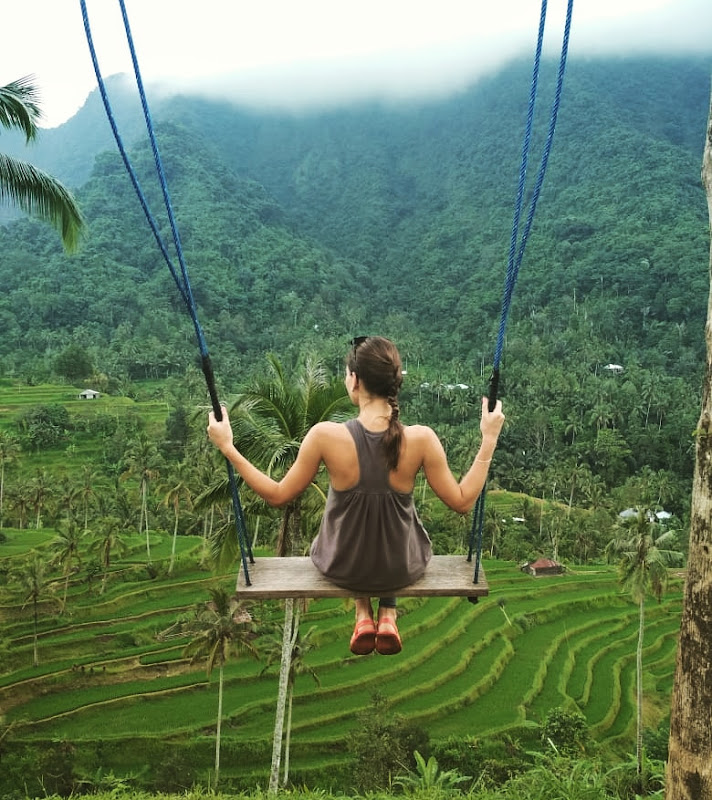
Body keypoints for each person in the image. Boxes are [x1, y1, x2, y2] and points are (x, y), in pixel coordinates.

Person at [207, 336, 505, 656]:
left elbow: (278, 495)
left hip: (342, 566)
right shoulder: (421, 439)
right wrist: (488, 439)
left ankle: (363, 614)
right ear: (394, 383)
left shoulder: (325, 436)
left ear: (354, 380)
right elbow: (462, 502)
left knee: (352, 530)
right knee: (392, 533)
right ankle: (387, 614)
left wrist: (228, 448)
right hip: (401, 567)